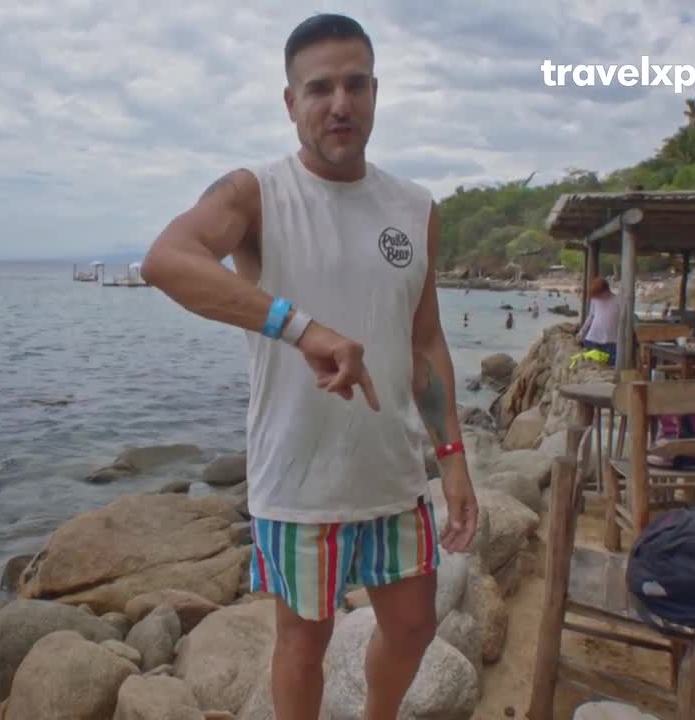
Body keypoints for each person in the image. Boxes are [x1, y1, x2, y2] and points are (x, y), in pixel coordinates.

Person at [140, 14, 478, 720]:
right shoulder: (254, 193)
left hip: (391, 472)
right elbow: (167, 260)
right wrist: (299, 328)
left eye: (355, 84)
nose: (340, 103)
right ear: (290, 102)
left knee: (415, 626)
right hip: (298, 481)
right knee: (303, 644)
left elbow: (424, 342)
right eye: (319, 88)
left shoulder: (416, 209)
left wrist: (454, 459)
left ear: (377, 92)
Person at [574, 277, 621, 365]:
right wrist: (582, 332)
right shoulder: (595, 299)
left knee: (610, 362)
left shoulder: (618, 300)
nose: (598, 297)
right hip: (593, 337)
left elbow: (623, 320)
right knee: (592, 359)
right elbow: (591, 316)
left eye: (599, 295)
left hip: (612, 340)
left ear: (606, 291)